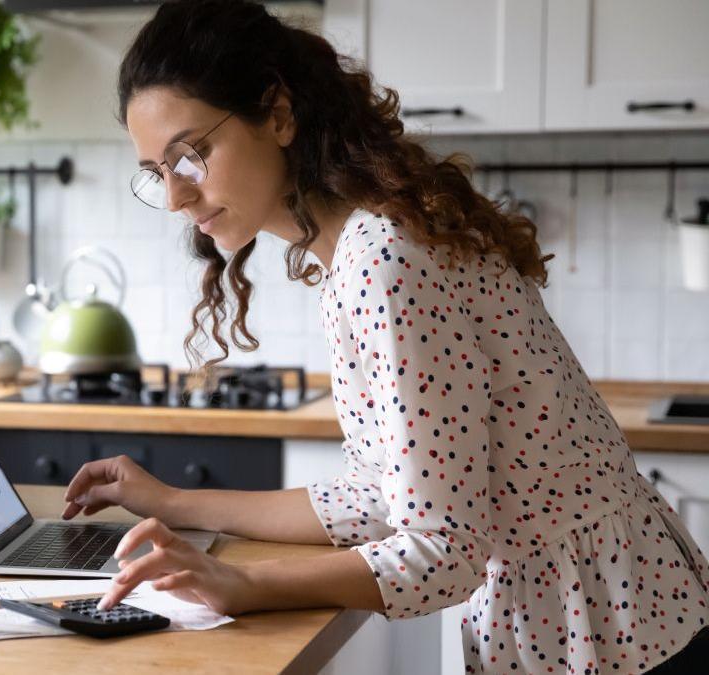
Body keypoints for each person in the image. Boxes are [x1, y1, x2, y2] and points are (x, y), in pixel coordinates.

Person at [60, 1, 709, 672]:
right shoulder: (361, 246)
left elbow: (444, 548)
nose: (174, 198)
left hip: (610, 633)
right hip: (615, 616)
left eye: (190, 155)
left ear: (279, 115)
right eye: (155, 173)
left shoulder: (383, 258)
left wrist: (245, 585)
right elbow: (381, 490)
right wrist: (175, 502)